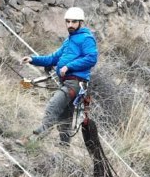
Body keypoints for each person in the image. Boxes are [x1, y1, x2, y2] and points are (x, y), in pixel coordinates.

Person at [21, 7, 99, 145]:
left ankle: (33, 140)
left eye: (74, 22)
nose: (70, 25)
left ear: (81, 22)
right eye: (67, 22)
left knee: (53, 106)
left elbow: (92, 58)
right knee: (64, 120)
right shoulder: (68, 41)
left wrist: (69, 66)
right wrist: (33, 59)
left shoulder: (86, 38)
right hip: (68, 83)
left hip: (75, 83)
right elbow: (53, 58)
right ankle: (64, 150)